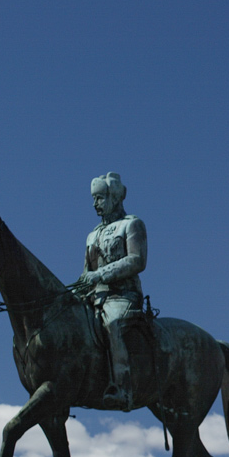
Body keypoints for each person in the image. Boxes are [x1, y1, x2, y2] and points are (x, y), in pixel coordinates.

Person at [79, 172, 147, 411]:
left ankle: (123, 389)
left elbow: (137, 260)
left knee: (113, 324)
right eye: (94, 198)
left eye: (99, 198)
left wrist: (102, 274)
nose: (95, 203)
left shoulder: (132, 224)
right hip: (95, 297)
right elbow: (87, 271)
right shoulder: (92, 235)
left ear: (114, 197)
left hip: (123, 296)